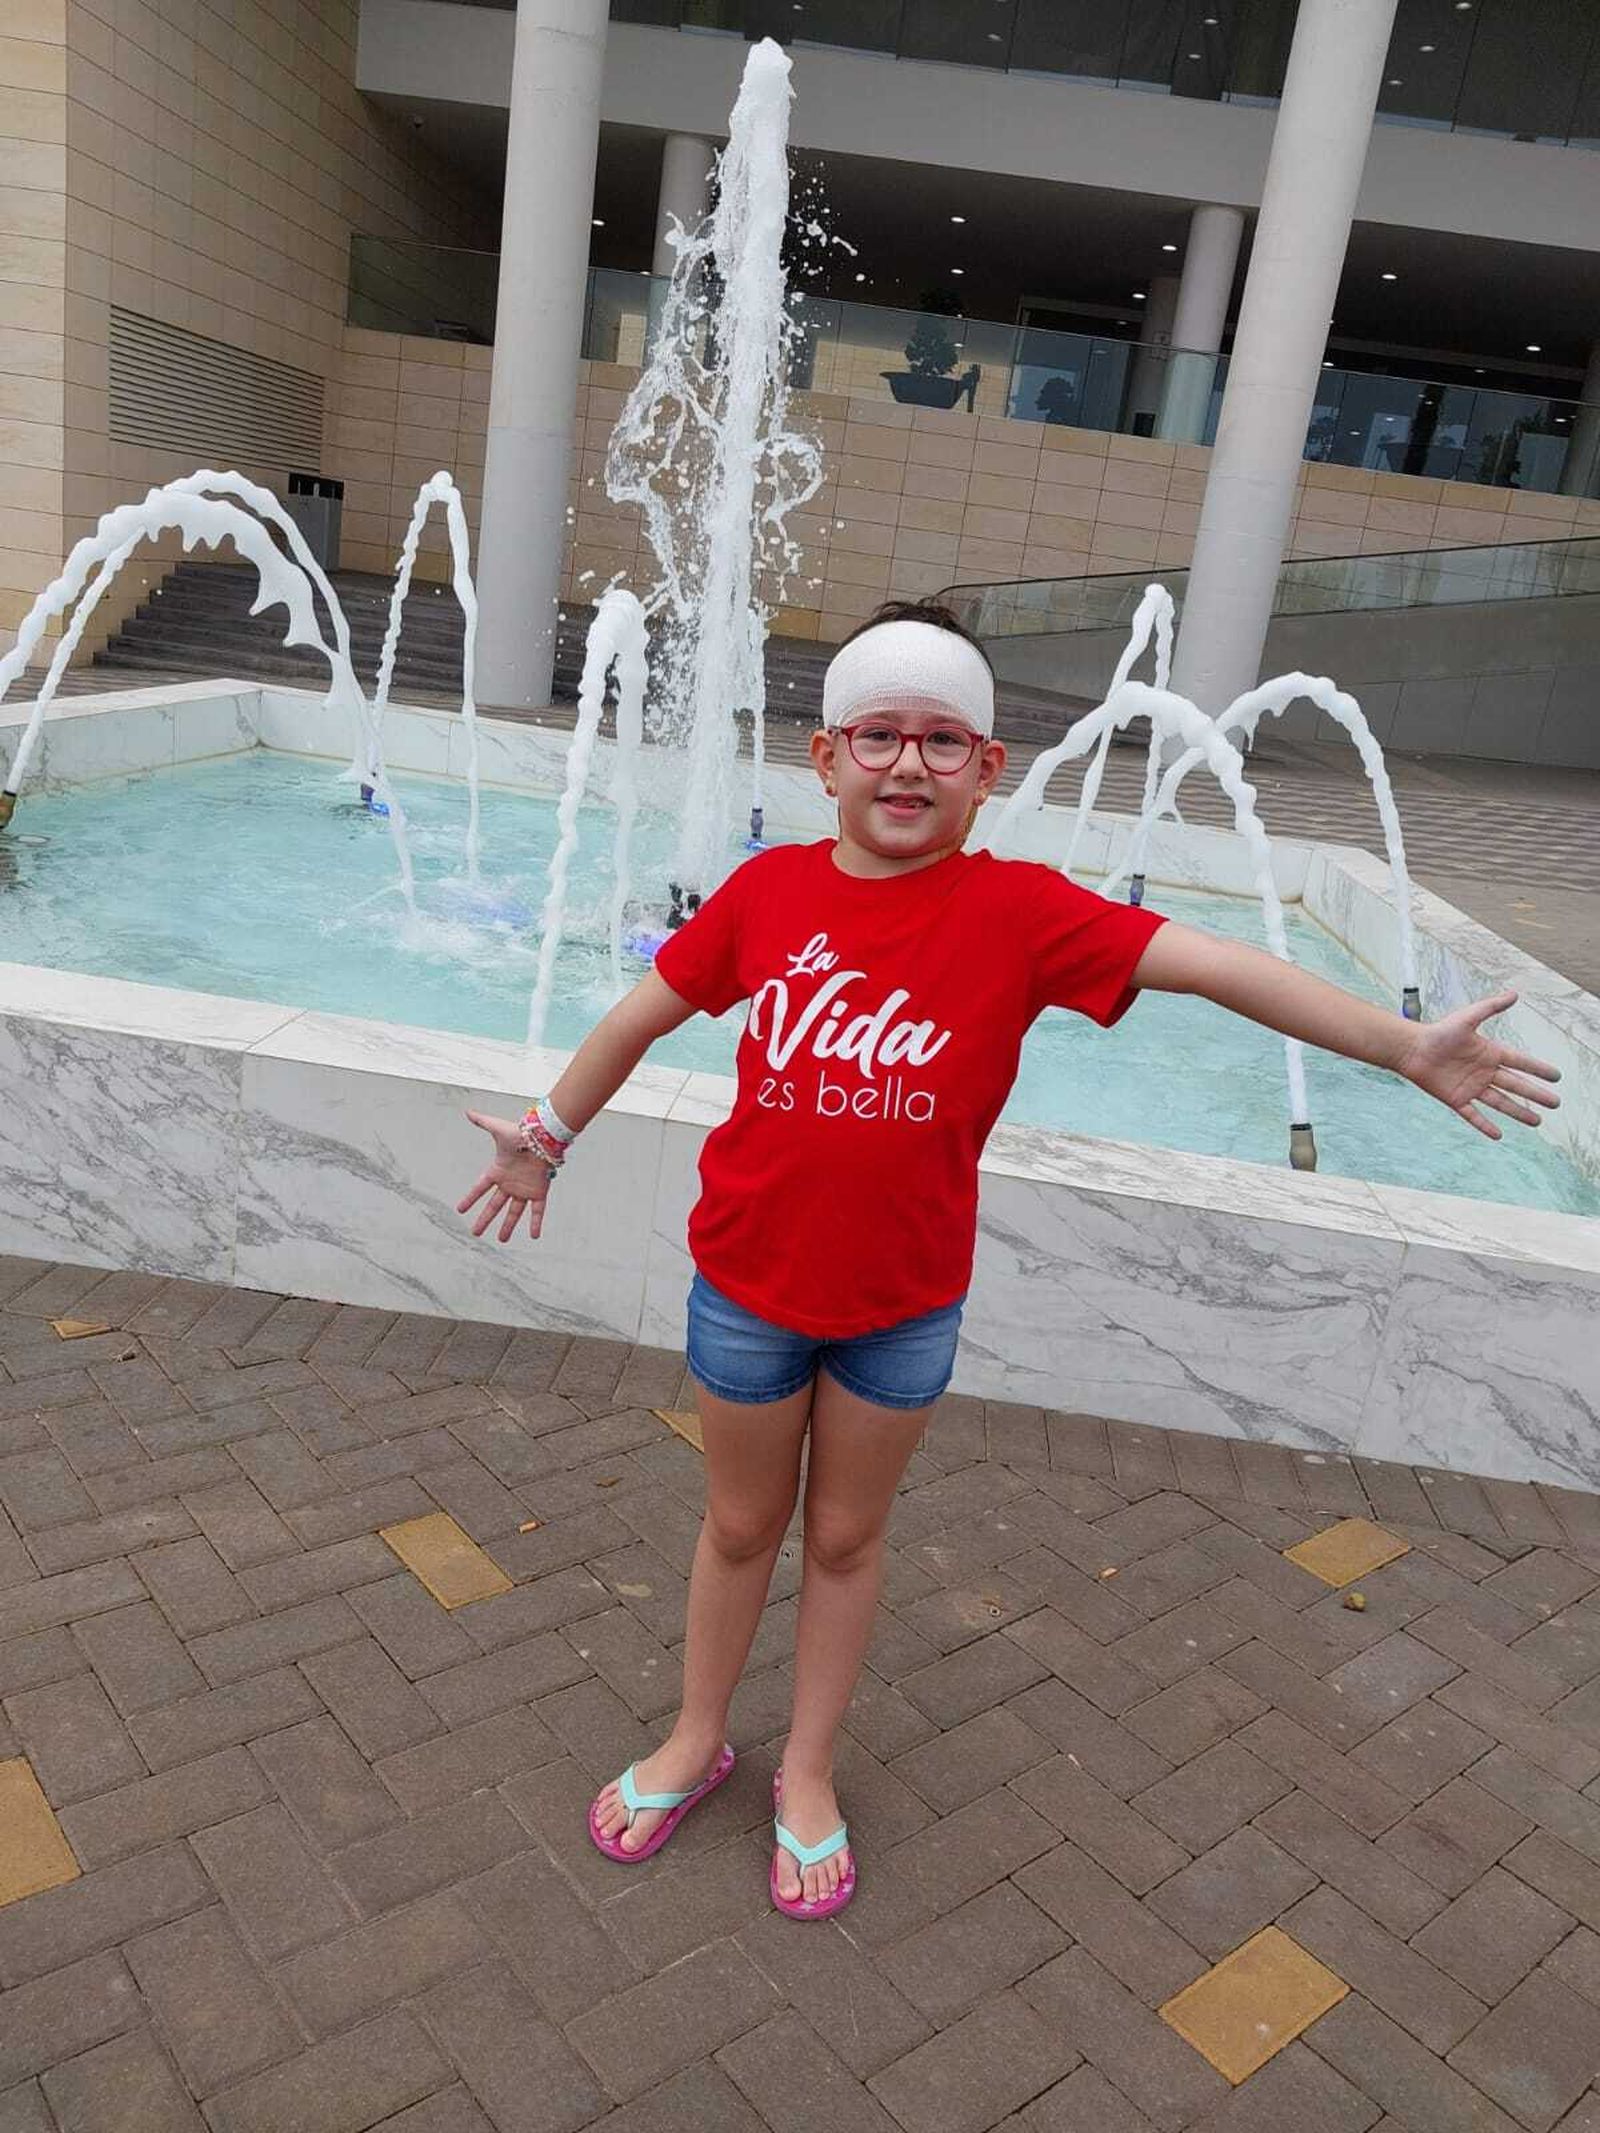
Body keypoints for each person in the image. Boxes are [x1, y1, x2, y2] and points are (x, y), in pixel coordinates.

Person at [457, 599, 1560, 1921]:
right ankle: (699, 1739)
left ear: (989, 769)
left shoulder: (1022, 914)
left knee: (849, 1539)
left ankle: (807, 1768)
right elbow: (638, 1013)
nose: (907, 763)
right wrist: (547, 1134)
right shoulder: (767, 894)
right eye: (879, 735)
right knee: (741, 1523)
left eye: (942, 739)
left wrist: (1400, 1043)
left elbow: (1213, 965)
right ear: (825, 759)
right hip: (747, 1286)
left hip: (903, 1309)